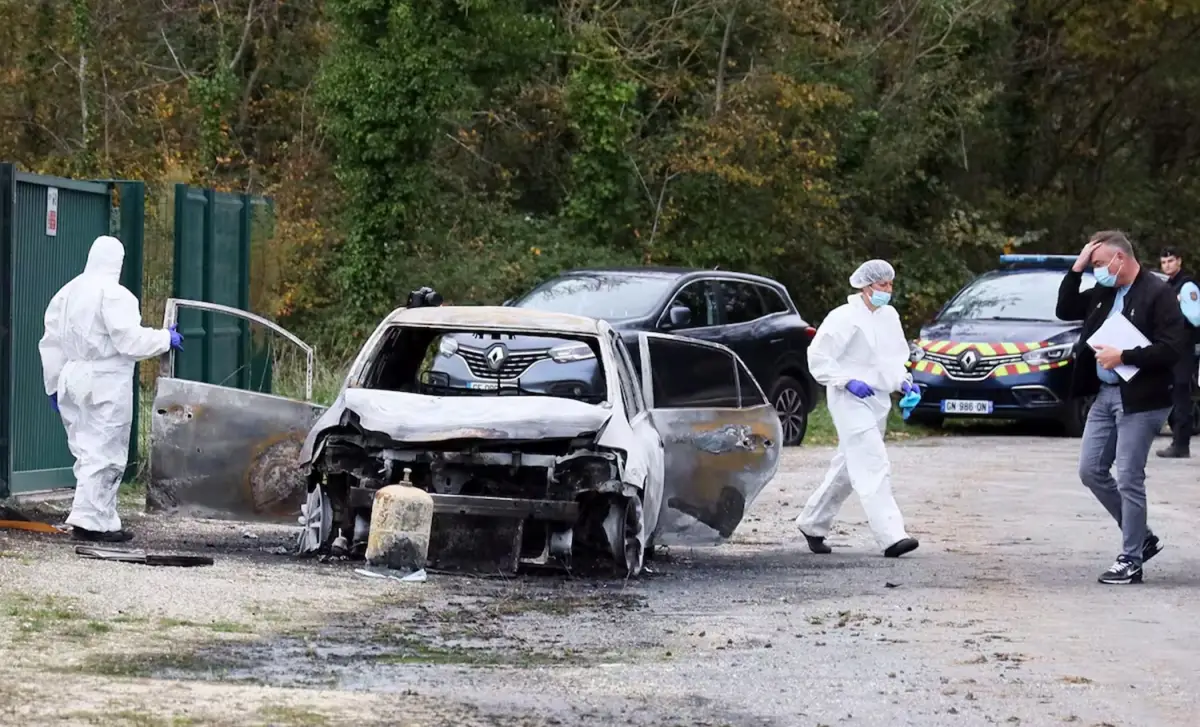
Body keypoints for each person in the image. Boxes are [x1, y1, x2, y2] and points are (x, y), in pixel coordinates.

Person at [1057, 231, 1187, 584]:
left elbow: (1174, 348)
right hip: (1105, 394)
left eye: (1100, 263)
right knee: (1090, 470)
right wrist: (1079, 267)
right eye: (1094, 264)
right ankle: (1141, 536)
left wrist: (1125, 356)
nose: (1098, 270)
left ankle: (1131, 559)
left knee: (1129, 475)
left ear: (1121, 259)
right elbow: (1064, 309)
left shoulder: (1158, 293)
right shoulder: (1105, 290)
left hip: (1142, 399)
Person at [39, 235, 183, 543]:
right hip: (105, 380)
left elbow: (50, 341)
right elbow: (128, 340)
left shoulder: (67, 292)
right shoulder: (114, 295)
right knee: (105, 452)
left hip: (72, 377)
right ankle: (92, 522)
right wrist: (163, 339)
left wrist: (53, 383)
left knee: (85, 451)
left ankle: (96, 519)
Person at [795, 259, 920, 558]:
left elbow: (892, 358)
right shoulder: (844, 317)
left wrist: (904, 383)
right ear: (865, 286)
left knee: (848, 466)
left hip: (876, 399)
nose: (887, 290)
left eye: (890, 284)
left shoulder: (889, 316)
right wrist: (845, 380)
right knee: (872, 461)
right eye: (881, 285)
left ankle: (812, 522)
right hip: (849, 397)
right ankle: (892, 536)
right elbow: (819, 356)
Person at [1155, 247, 1200, 458]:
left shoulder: (1187, 287)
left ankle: (1181, 444)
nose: (1167, 265)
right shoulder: (1168, 286)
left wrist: (1179, 305)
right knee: (1173, 394)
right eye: (1164, 262)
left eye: (1171, 261)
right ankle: (1176, 440)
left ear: (1179, 261)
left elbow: (1196, 319)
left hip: (1183, 349)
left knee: (1181, 395)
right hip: (1170, 349)